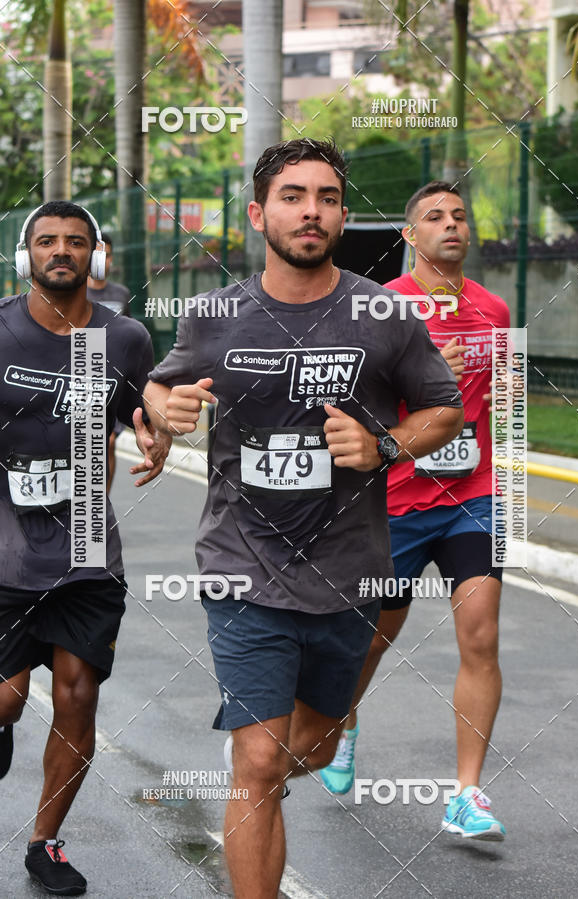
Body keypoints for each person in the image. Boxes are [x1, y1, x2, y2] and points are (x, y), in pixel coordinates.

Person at [143, 140, 464, 898]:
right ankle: (251, 795)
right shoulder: (214, 314)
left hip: (349, 570)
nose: (310, 210)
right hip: (242, 567)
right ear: (259, 214)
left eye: (325, 196)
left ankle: (273, 771)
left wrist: (383, 443)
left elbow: (444, 410)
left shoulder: (384, 311)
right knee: (258, 762)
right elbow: (159, 392)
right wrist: (166, 409)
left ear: (343, 215)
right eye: (292, 195)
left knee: (310, 748)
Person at [320, 180, 510, 842]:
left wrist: (507, 483)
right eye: (434, 216)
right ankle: (343, 720)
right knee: (372, 637)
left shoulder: (493, 308)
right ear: (410, 236)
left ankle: (465, 793)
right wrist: (429, 380)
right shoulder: (383, 309)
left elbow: (506, 409)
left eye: (460, 214)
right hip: (396, 501)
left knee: (480, 633)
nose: (451, 224)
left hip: (474, 496)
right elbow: (350, 404)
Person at [0, 201, 170, 895]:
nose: (61, 251)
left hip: (86, 543)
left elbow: (146, 410)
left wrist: (161, 438)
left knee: (77, 696)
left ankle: (45, 843)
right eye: (47, 241)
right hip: (6, 543)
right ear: (26, 255)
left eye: (75, 241)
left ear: (96, 257)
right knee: (5, 702)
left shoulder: (122, 337)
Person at [87, 232, 131, 492]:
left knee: (109, 442)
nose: (103, 261)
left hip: (115, 380)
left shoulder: (122, 294)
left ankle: (102, 503)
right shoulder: (76, 293)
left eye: (108, 255)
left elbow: (130, 333)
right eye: (98, 255)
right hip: (84, 376)